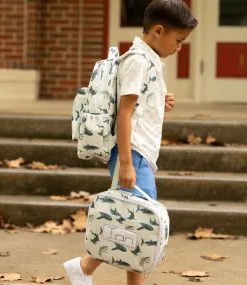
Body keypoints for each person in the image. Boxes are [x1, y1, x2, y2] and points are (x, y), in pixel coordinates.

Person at [63, 1, 198, 284]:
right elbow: (123, 114)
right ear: (159, 31)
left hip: (138, 153)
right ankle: (84, 267)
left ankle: (84, 268)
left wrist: (158, 102)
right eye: (179, 40)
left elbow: (135, 106)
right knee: (141, 223)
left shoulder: (147, 59)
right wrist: (125, 162)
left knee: (137, 223)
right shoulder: (137, 60)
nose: (179, 48)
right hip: (132, 153)